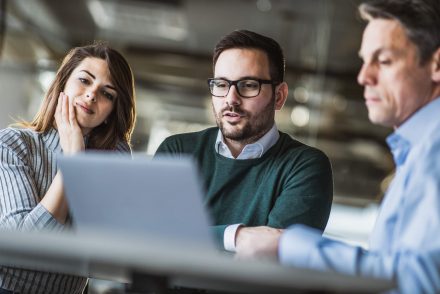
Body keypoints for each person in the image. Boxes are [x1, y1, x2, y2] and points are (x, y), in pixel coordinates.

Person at [235, 0, 440, 293]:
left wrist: (289, 245)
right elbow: (398, 271)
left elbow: (420, 282)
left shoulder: (435, 150)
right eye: (364, 60)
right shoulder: (416, 152)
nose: (363, 77)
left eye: (383, 61)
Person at [155, 30, 333, 254]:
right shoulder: (178, 151)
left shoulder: (304, 166)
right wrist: (238, 237)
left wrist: (192, 238)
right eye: (221, 84)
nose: (231, 99)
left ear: (279, 96)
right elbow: (153, 237)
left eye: (248, 85)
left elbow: (275, 258)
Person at [0, 43, 136, 294]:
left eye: (108, 94)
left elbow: (104, 250)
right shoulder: (13, 144)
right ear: (62, 83)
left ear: (110, 112)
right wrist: (73, 160)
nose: (92, 94)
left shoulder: (114, 158)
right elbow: (24, 247)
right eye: (84, 80)